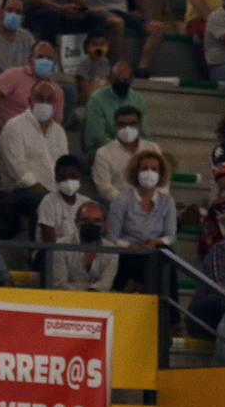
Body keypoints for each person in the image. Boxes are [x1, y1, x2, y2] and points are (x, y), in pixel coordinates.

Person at [0, 79, 68, 225]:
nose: (45, 103)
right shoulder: (14, 126)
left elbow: (64, 167)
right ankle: (41, 248)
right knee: (44, 202)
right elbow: (18, 171)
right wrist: (50, 196)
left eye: (49, 100)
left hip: (52, 191)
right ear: (30, 100)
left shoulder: (59, 131)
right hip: (20, 192)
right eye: (40, 98)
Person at [107, 149, 177, 290]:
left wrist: (156, 242)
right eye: (144, 168)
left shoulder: (167, 201)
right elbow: (111, 237)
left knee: (166, 257)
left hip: (155, 253)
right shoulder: (122, 199)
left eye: (154, 169)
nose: (149, 173)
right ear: (136, 171)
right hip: (128, 254)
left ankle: (169, 309)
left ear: (160, 173)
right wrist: (132, 246)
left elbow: (171, 236)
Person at [0, 40, 63, 145]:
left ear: (54, 62)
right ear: (30, 59)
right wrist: (3, 126)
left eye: (49, 58)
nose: (45, 61)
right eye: (40, 57)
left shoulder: (57, 90)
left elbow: (56, 123)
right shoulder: (15, 75)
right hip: (8, 138)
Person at [91, 105, 162, 202]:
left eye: (132, 124)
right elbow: (104, 187)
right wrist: (128, 203)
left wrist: (151, 201)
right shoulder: (103, 153)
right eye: (122, 124)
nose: (127, 128)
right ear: (115, 125)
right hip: (118, 205)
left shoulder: (153, 148)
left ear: (139, 125)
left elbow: (163, 181)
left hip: (151, 203)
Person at [83, 62, 147, 156]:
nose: (121, 83)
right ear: (110, 79)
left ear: (131, 79)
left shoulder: (138, 100)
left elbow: (144, 133)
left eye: (125, 80)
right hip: (101, 150)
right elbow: (97, 136)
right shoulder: (97, 99)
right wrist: (122, 149)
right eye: (117, 80)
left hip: (133, 150)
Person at [53, 201, 118, 291]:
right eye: (85, 220)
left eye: (97, 221)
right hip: (66, 300)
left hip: (98, 300)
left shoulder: (112, 250)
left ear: (105, 225)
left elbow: (105, 284)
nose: (91, 224)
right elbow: (60, 284)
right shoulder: (60, 245)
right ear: (76, 222)